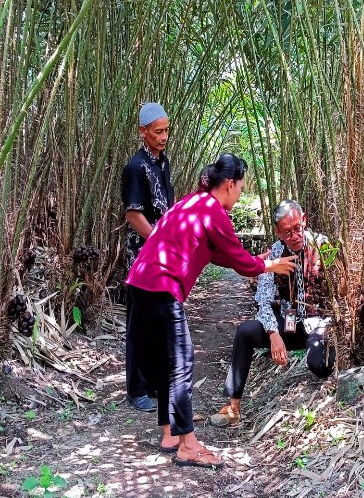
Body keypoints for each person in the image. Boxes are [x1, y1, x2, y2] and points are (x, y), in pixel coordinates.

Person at [126, 154, 297, 468]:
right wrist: (270, 264)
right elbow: (242, 263)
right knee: (182, 359)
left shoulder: (193, 203)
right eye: (241, 188)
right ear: (230, 185)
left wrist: (255, 261)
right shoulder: (213, 211)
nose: (240, 194)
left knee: (169, 358)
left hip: (140, 281)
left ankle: (169, 434)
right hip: (161, 286)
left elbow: (213, 253)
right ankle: (188, 445)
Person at [210, 200, 336, 428]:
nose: (295, 236)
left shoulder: (322, 248)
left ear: (304, 220)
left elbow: (340, 296)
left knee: (319, 364)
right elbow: (263, 300)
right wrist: (272, 334)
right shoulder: (276, 252)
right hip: (289, 324)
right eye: (287, 232)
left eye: (297, 228)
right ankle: (233, 407)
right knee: (246, 332)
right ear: (278, 232)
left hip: (320, 325)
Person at [121, 102, 175, 412]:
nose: (164, 136)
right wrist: (157, 239)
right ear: (143, 132)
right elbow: (133, 214)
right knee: (139, 324)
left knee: (160, 319)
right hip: (142, 256)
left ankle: (155, 382)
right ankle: (136, 388)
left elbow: (167, 204)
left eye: (166, 130)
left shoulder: (163, 163)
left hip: (163, 254)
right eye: (158, 132)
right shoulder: (135, 168)